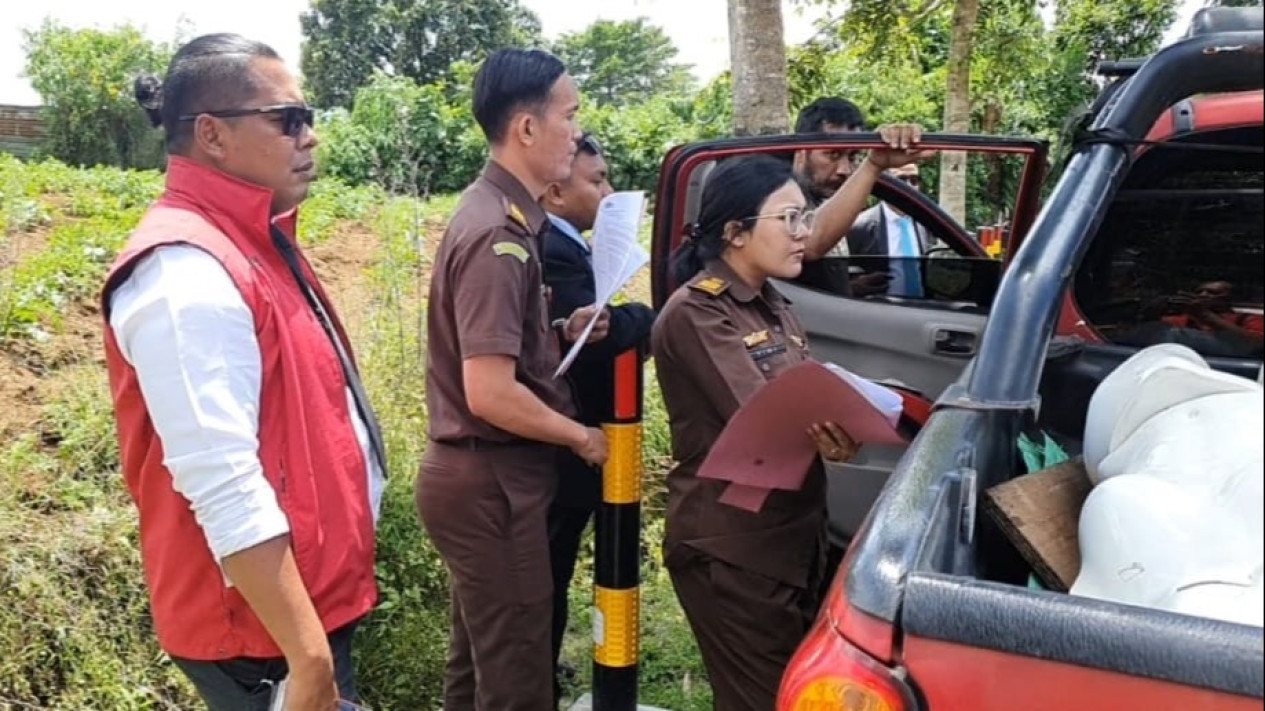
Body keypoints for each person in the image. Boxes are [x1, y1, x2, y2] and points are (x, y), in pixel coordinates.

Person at [101, 34, 382, 711]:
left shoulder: (253, 240)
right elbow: (221, 476)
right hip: (262, 636)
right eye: (287, 118)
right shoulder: (184, 270)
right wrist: (306, 655)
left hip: (298, 612)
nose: (308, 136)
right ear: (212, 135)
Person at [417, 48, 612, 710]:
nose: (576, 134)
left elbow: (500, 356)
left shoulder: (504, 218)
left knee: (478, 669)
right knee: (519, 680)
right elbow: (489, 392)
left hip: (484, 479)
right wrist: (582, 436)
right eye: (569, 115)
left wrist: (559, 333)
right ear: (525, 128)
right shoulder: (497, 234)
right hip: (491, 482)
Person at [650, 154, 864, 710]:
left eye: (804, 218)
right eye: (788, 219)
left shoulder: (775, 306)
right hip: (733, 549)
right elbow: (765, 417)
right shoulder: (697, 315)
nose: (803, 234)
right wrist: (828, 423)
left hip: (789, 539)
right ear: (736, 233)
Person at [539, 131, 656, 706]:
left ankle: (544, 667)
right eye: (597, 179)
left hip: (576, 444)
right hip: (565, 447)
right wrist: (643, 318)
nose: (608, 191)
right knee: (549, 577)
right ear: (556, 193)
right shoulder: (552, 253)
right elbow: (596, 339)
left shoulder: (570, 247)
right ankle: (539, 674)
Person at [846, 163, 936, 298]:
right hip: (882, 311)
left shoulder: (926, 223)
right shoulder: (860, 225)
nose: (909, 187)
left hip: (921, 309)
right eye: (901, 180)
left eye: (914, 180)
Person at [1161, 280, 1264, 344]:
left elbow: (1256, 343)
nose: (1203, 295)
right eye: (1199, 292)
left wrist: (1206, 316)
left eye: (1212, 292)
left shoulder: (1249, 319)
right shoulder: (1184, 319)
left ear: (1229, 298)